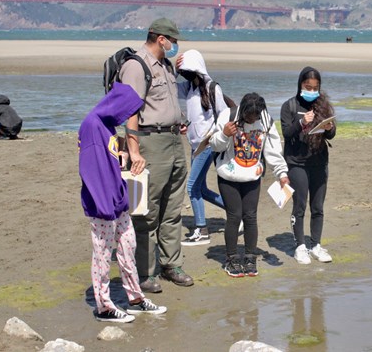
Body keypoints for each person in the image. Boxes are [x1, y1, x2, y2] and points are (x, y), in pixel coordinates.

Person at [78, 82, 167, 323]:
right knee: (103, 254)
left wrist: (125, 154)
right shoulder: (92, 125)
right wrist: (104, 206)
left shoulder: (107, 126)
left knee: (128, 249)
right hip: (102, 206)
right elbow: (89, 169)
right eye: (127, 112)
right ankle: (104, 307)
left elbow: (110, 159)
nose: (127, 117)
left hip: (118, 201)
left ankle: (135, 299)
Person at [120, 18, 193, 292]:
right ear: (161, 38)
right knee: (146, 211)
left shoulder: (166, 66)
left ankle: (171, 264)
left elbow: (167, 102)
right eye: (173, 41)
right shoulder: (135, 66)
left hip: (173, 141)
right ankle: (144, 272)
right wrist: (134, 150)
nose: (175, 45)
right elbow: (129, 111)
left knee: (172, 208)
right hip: (150, 143)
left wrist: (180, 120)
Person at [209, 92, 290, 277]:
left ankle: (250, 257)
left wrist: (282, 173)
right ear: (242, 110)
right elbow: (214, 145)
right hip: (228, 176)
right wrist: (224, 135)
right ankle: (231, 259)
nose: (252, 119)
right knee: (234, 216)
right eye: (248, 116)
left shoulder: (265, 120)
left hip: (253, 176)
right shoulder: (227, 116)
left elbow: (273, 149)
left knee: (251, 217)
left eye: (255, 116)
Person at [280, 66, 336, 264]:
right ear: (300, 85)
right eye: (307, 87)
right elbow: (286, 133)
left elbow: (331, 134)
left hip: (319, 162)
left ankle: (316, 245)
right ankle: (300, 246)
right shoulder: (289, 106)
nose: (311, 91)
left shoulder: (323, 105)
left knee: (318, 206)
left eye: (315, 87)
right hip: (297, 163)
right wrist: (302, 122)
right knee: (300, 205)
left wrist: (328, 128)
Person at [177, 50, 227, 246]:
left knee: (191, 187)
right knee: (201, 189)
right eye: (183, 72)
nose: (186, 74)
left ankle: (201, 230)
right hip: (194, 145)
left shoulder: (213, 88)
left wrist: (213, 136)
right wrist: (174, 69)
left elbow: (223, 115)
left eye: (188, 70)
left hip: (207, 144)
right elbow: (170, 87)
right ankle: (235, 212)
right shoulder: (188, 88)